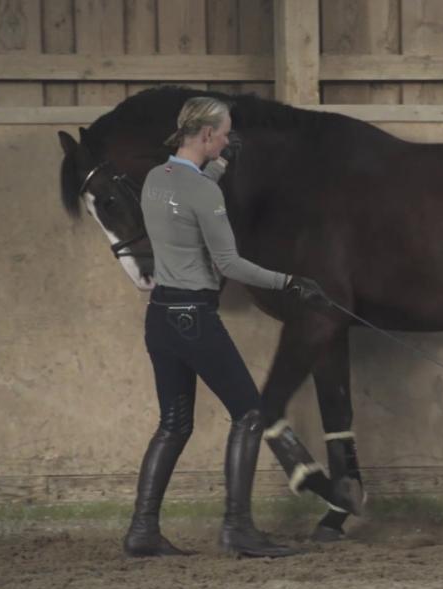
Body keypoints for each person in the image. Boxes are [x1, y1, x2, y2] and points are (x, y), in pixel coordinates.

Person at [123, 96, 325, 558]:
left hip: (160, 318)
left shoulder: (158, 177)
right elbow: (229, 262)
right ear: (207, 135)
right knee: (251, 415)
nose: (229, 139)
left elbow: (186, 198)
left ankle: (142, 530)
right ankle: (238, 528)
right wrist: (291, 283)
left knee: (173, 424)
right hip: (195, 317)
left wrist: (218, 168)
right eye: (224, 133)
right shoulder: (204, 192)